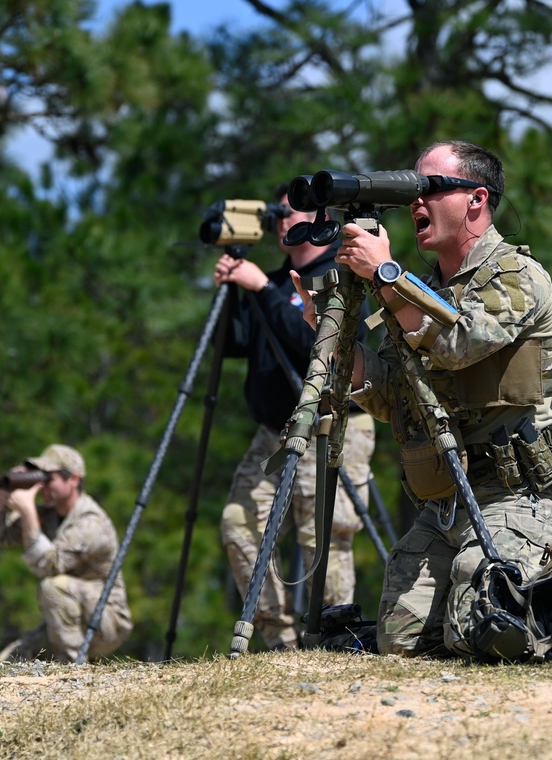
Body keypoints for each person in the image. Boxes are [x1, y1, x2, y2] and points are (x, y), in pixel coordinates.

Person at [292, 140, 552, 659]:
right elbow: (390, 397)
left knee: (485, 625)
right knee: (400, 642)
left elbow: (457, 343)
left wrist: (387, 274)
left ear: (476, 199)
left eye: (431, 189)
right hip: (445, 503)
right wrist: (332, 334)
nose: (416, 204)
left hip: (516, 497)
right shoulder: (417, 288)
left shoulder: (517, 276)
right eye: (413, 191)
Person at [214, 185, 376, 651]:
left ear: (318, 219)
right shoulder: (274, 280)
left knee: (321, 536)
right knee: (238, 523)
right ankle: (279, 639)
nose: (281, 220)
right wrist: (230, 292)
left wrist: (262, 290)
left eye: (289, 212)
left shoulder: (341, 278)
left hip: (329, 424)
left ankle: (332, 638)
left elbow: (319, 353)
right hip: (275, 432)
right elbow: (230, 345)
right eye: (278, 213)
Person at [0, 443, 133, 662]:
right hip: (65, 618)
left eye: (48, 478)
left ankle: (74, 667)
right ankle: (71, 658)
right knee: (7, 662)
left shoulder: (91, 523)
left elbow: (49, 564)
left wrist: (27, 510)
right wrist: (2, 497)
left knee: (53, 586)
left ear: (74, 480)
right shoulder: (49, 515)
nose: (43, 487)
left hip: (106, 619)